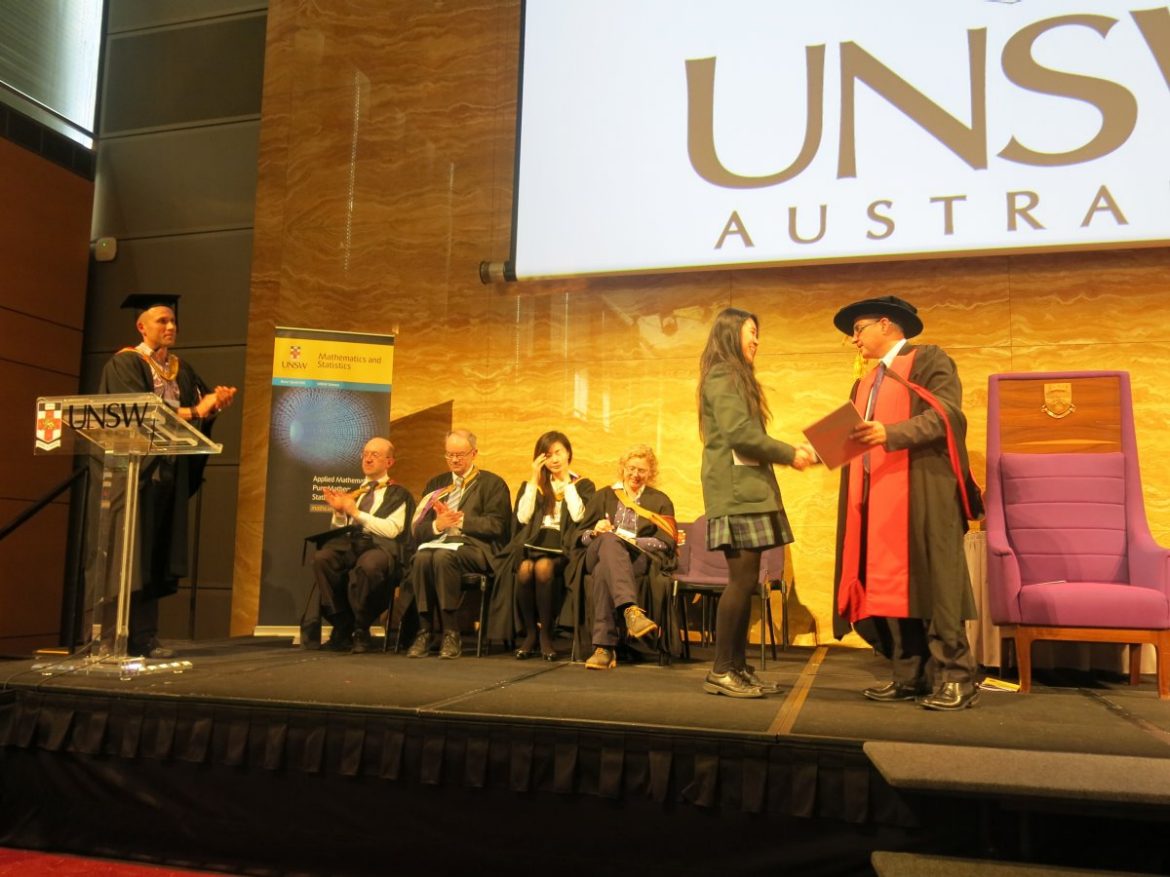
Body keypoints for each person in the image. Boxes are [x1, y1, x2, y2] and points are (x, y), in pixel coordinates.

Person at [830, 295, 980, 711]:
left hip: (924, 488)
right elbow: (855, 435)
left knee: (936, 582)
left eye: (857, 330)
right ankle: (910, 675)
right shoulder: (864, 382)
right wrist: (826, 446)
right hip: (877, 496)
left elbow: (948, 415)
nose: (853, 339)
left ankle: (957, 677)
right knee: (890, 584)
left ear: (885, 324)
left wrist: (890, 434)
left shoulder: (928, 359)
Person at [98, 294, 237, 658]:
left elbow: (198, 410)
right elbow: (140, 413)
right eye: (162, 320)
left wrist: (213, 407)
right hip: (134, 476)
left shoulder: (180, 368)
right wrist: (196, 409)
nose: (171, 326)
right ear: (141, 326)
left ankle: (144, 637)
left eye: (173, 320)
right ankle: (114, 638)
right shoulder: (125, 363)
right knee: (130, 557)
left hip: (168, 476)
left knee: (155, 559)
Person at [697, 307, 810, 698]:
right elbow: (740, 434)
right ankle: (721, 670)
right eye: (751, 332)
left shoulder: (735, 377)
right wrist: (789, 452)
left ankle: (738, 667)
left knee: (746, 584)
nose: (757, 340)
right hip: (736, 493)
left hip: (747, 490)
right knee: (740, 581)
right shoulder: (723, 374)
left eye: (758, 333)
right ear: (731, 334)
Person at [402, 429, 511, 659]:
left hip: (474, 548)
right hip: (437, 546)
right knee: (422, 557)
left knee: (442, 557)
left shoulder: (492, 484)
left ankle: (451, 632)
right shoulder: (436, 484)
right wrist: (438, 526)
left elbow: (497, 525)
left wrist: (460, 520)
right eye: (449, 454)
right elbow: (418, 529)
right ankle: (424, 631)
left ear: (474, 453)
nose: (454, 459)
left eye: (460, 454)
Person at [488, 431, 595, 660]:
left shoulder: (583, 485)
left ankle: (546, 634)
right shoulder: (535, 485)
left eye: (558, 452)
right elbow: (523, 518)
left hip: (565, 546)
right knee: (525, 569)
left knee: (544, 567)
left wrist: (567, 483)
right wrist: (534, 478)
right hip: (534, 544)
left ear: (568, 454)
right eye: (548, 455)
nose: (554, 459)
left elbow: (579, 517)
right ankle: (530, 634)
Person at [303, 437, 415, 653]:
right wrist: (339, 512)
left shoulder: (399, 494)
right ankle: (343, 624)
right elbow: (342, 528)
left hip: (382, 548)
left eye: (375, 454)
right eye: (365, 454)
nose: (368, 458)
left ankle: (361, 627)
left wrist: (355, 512)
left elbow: (392, 530)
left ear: (389, 462)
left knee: (370, 565)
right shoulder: (356, 493)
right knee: (323, 558)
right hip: (351, 546)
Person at [575, 444, 676, 671]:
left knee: (604, 570)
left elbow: (666, 542)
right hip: (597, 550)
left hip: (636, 558)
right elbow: (578, 536)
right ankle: (631, 610)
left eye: (642, 470)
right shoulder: (604, 495)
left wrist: (631, 543)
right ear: (623, 469)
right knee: (609, 540)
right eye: (631, 468)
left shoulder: (660, 501)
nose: (635, 474)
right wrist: (595, 531)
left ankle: (603, 647)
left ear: (651, 473)